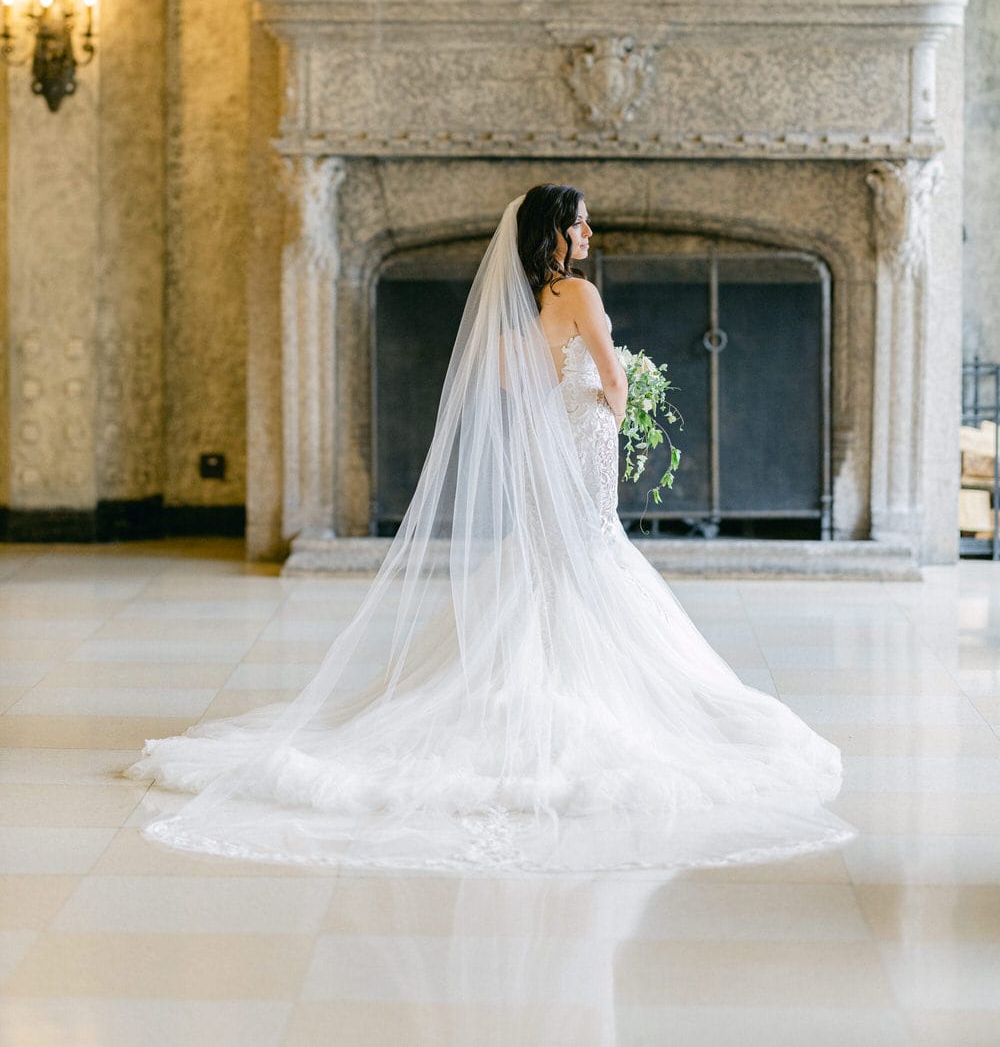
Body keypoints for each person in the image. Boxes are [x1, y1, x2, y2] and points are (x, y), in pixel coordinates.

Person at [125, 186, 854, 873]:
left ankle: (525, 671)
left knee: (547, 556)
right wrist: (620, 404)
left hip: (546, 447)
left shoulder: (521, 310)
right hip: (585, 438)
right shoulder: (580, 293)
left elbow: (514, 386)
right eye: (582, 223)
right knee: (594, 549)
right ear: (557, 233)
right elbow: (612, 375)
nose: (590, 233)